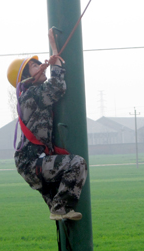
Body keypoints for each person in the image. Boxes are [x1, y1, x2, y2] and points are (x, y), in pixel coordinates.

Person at [8, 29, 87, 222]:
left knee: (60, 214)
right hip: (32, 162)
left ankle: (60, 210)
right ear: (26, 78)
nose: (41, 66)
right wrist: (55, 55)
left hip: (32, 162)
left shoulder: (31, 96)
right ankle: (60, 208)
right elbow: (57, 86)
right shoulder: (32, 95)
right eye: (35, 66)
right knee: (77, 164)